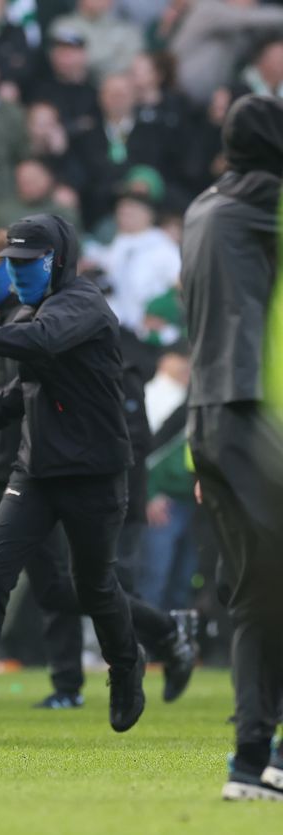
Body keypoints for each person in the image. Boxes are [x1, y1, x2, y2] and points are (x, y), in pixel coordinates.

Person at [0, 214, 147, 736]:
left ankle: (126, 664)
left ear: (57, 260)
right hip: (36, 472)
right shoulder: (28, 312)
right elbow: (26, 388)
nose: (17, 273)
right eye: (10, 264)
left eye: (26, 263)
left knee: (94, 585)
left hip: (94, 473)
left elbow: (41, 343)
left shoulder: (80, 305)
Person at [180, 94, 283, 801]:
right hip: (252, 413)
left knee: (254, 597)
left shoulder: (202, 207)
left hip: (208, 421)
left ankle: (252, 765)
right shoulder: (266, 200)